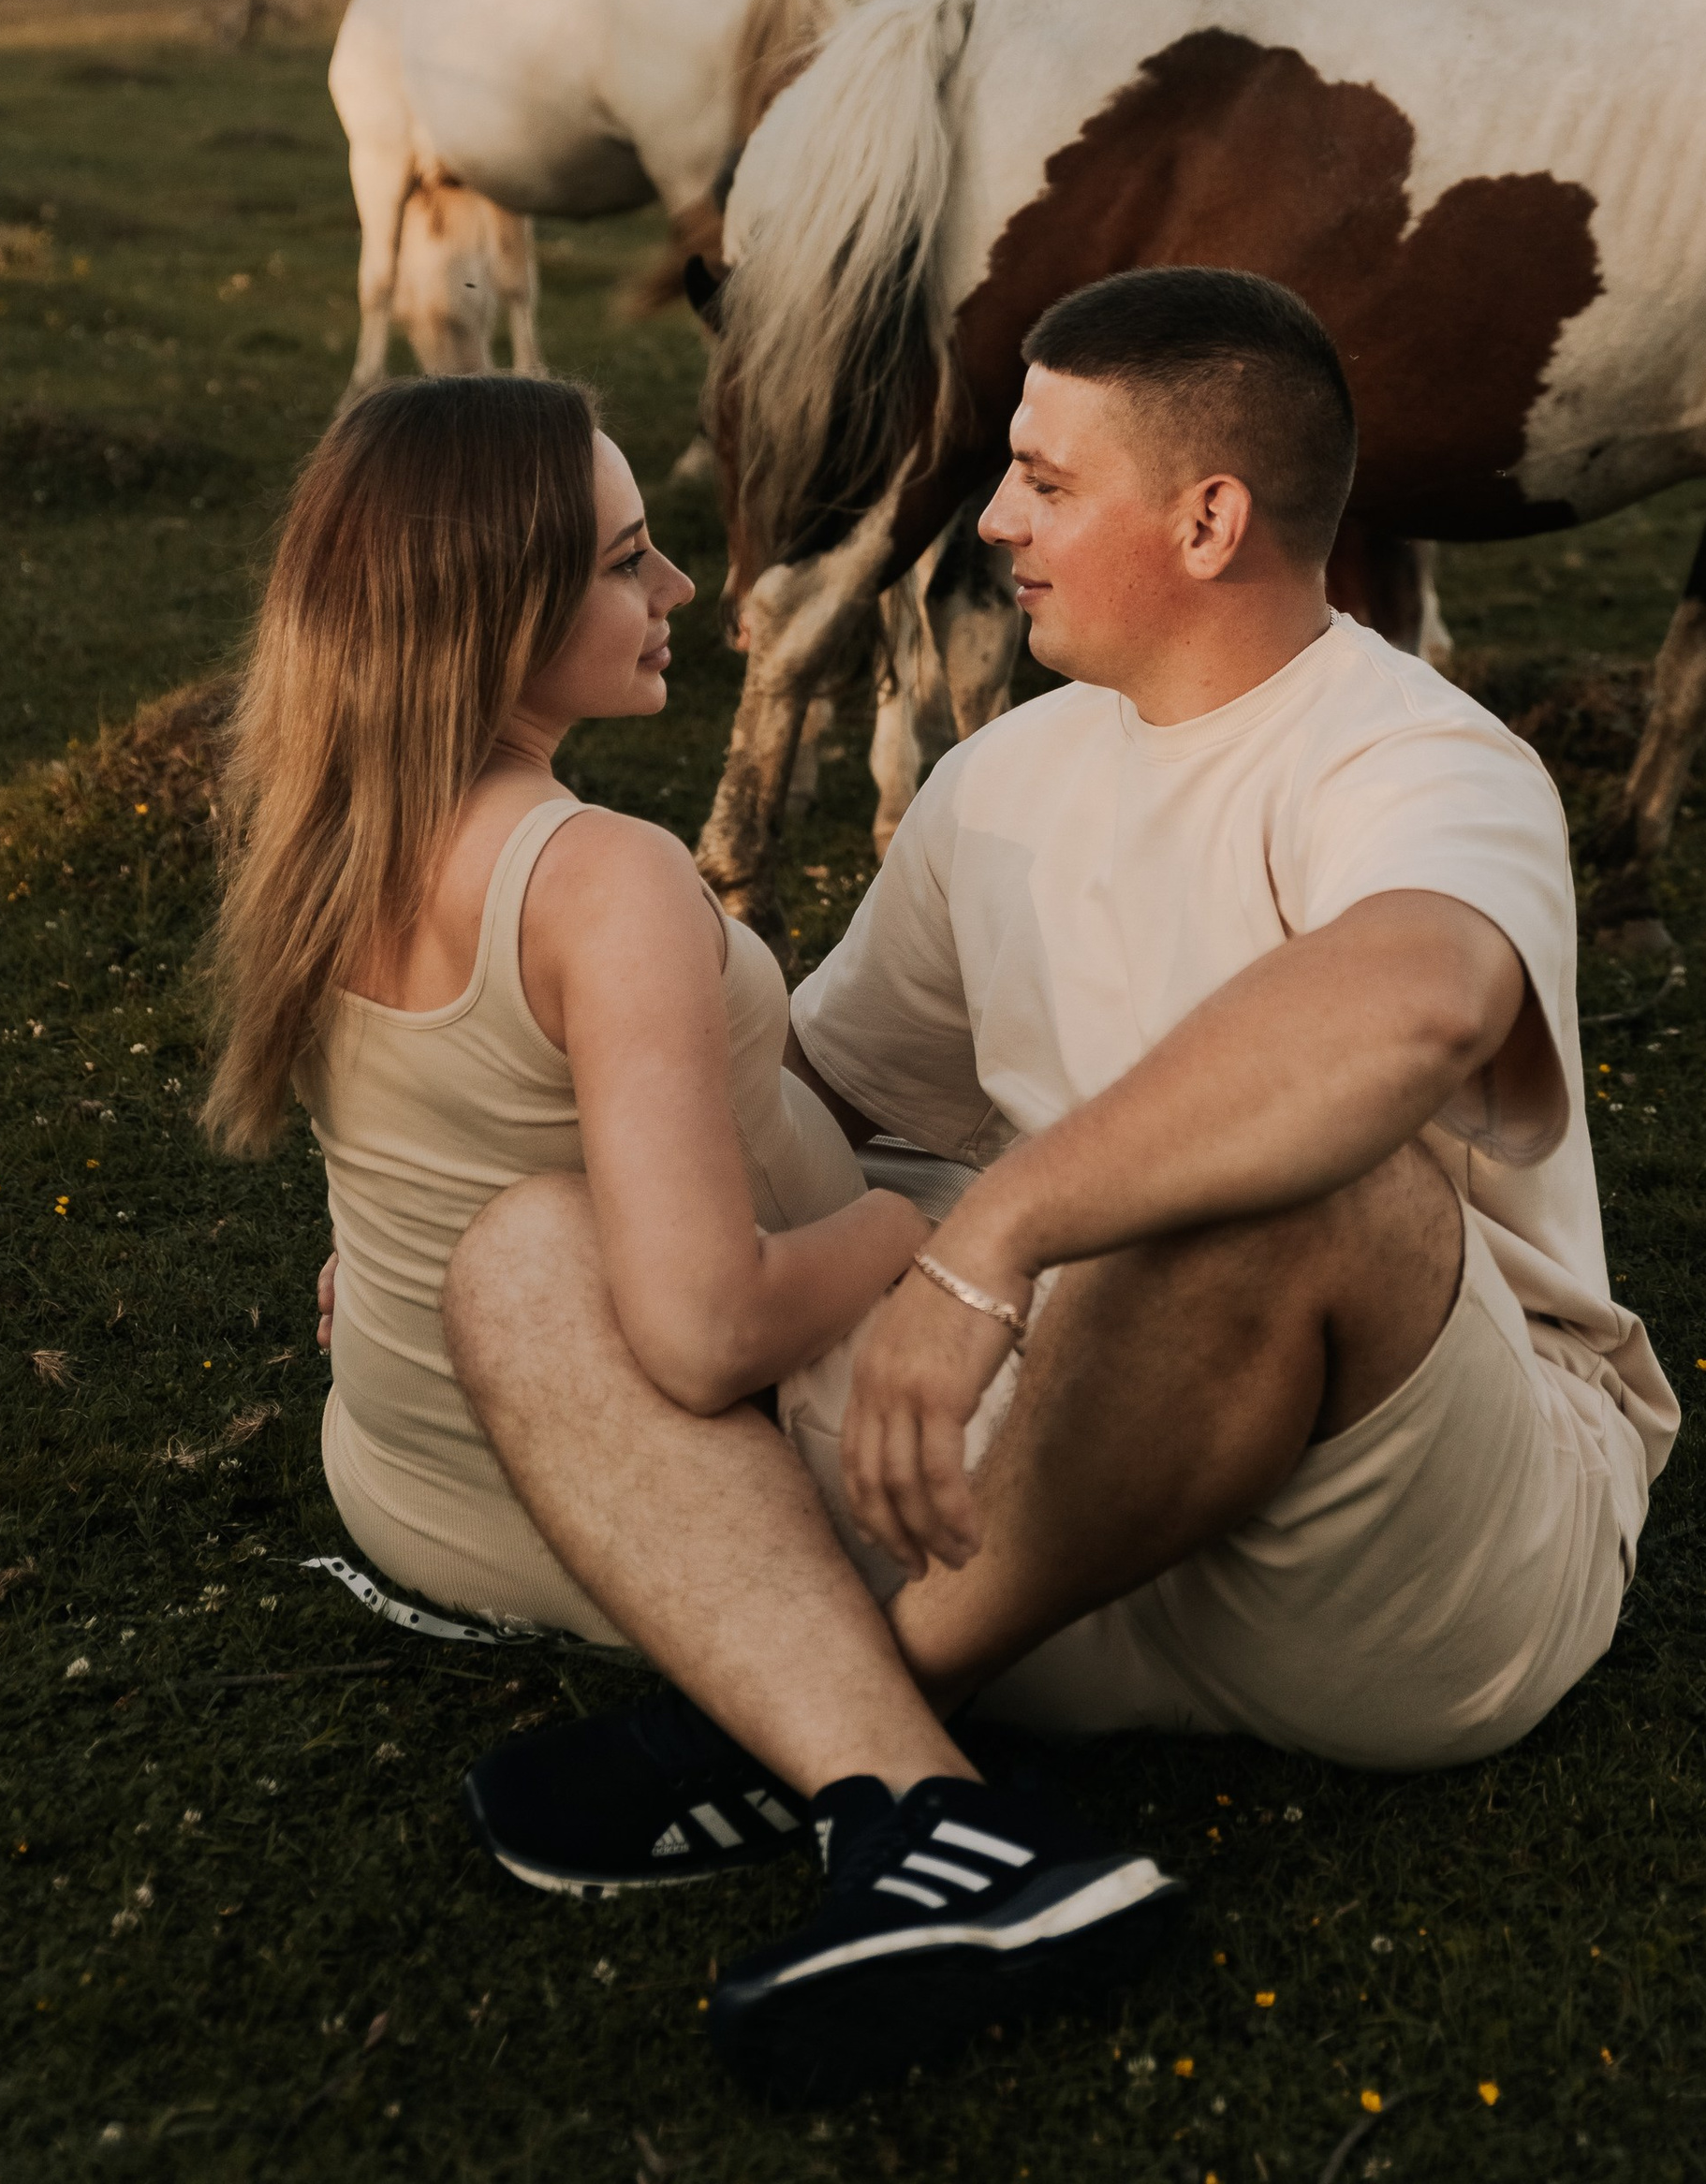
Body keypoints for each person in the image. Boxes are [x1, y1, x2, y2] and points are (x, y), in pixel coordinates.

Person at [446, 270, 1680, 2091]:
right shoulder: (1001, 776)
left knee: (1313, 1171)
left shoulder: (1415, 755)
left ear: (1207, 517)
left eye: (1038, 477)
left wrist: (997, 1237)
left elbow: (1414, 1008)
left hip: (1398, 1553)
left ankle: (828, 1692)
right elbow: (801, 1099)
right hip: (1059, 1480)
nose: (991, 518)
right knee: (531, 1250)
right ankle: (916, 1811)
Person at [205, 374, 1181, 2102]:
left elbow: (436, 1142)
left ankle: (770, 1748)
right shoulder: (595, 877)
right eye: (627, 563)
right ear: (493, 612)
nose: (678, 598)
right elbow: (707, 1333)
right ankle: (899, 1799)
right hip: (627, 1498)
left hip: (409, 1470)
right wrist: (900, 1231)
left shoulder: (326, 816)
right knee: (1161, 1324)